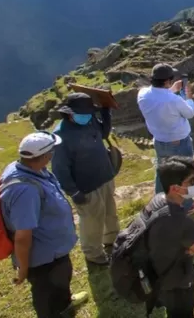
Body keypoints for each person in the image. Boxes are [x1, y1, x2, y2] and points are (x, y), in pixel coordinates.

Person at [0, 132, 88, 317]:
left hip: (54, 250)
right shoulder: (24, 191)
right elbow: (23, 236)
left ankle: (65, 305)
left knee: (61, 282)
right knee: (46, 295)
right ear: (47, 156)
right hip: (43, 259)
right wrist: (23, 269)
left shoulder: (31, 170)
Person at [51, 92, 120, 266]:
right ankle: (93, 254)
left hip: (104, 176)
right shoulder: (61, 136)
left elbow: (103, 134)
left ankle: (113, 240)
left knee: (110, 213)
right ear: (69, 113)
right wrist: (73, 191)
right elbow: (60, 169)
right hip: (86, 186)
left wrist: (105, 111)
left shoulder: (89, 120)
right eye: (83, 114)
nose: (87, 116)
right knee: (92, 221)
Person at [145, 156, 194, 318]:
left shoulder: (156, 202)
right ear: (175, 188)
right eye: (192, 180)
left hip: (156, 276)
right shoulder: (181, 221)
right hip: (177, 284)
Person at [137, 63, 194, 214]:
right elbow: (190, 113)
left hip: (160, 142)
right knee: (186, 174)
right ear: (167, 81)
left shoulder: (142, 94)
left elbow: (161, 99)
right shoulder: (174, 100)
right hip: (179, 143)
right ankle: (187, 206)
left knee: (162, 173)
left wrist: (172, 90)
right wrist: (189, 98)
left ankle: (160, 204)